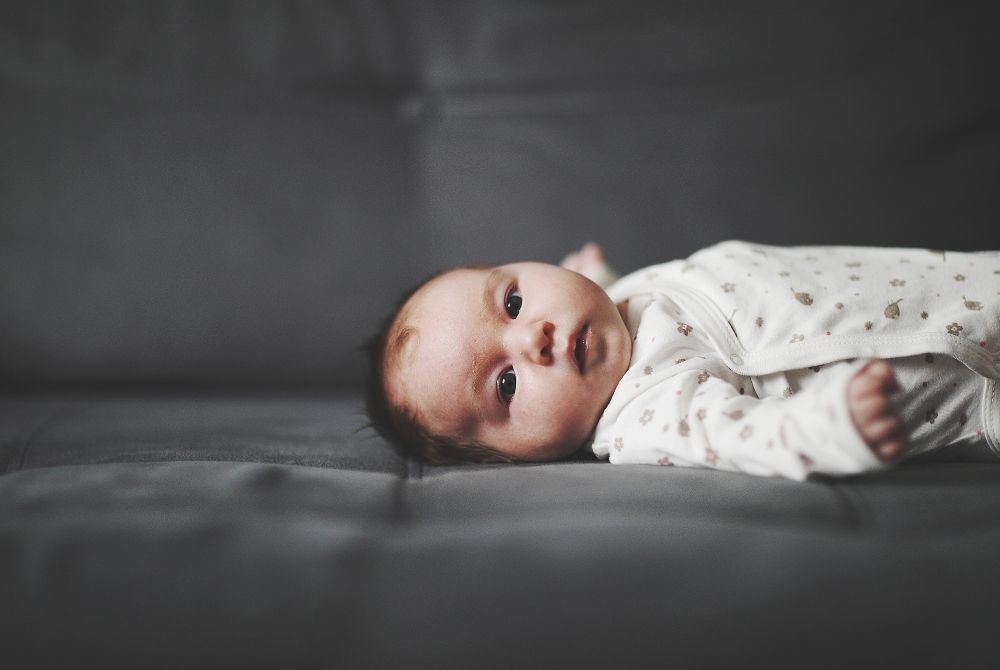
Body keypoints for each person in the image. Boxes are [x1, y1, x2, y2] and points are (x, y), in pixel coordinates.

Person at [365, 240, 999, 480]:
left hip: (958, 279)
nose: (536, 338)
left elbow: (635, 300)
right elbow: (742, 438)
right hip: (973, 375)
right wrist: (827, 426)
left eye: (511, 300)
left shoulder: (616, 304)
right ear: (517, 458)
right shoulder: (646, 413)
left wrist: (600, 276)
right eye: (506, 384)